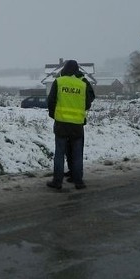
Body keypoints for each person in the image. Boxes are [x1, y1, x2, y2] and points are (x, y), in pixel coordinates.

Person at [46, 59, 95, 191]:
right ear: (77, 70)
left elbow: (50, 100)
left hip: (61, 123)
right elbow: (88, 103)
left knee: (60, 153)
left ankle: (57, 182)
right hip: (77, 124)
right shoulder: (82, 84)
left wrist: (53, 114)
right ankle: (78, 182)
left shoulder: (59, 82)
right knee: (78, 154)